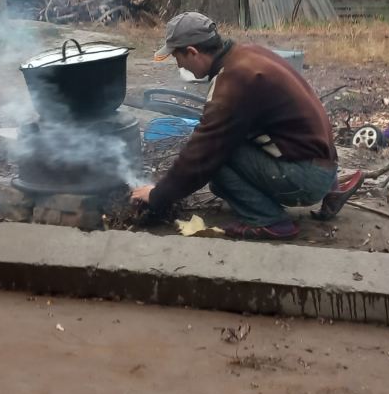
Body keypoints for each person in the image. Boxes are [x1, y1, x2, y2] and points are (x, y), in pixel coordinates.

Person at [128, 12, 363, 239]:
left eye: (176, 57)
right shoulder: (248, 54)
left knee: (216, 164)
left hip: (308, 176)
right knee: (225, 145)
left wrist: (158, 195)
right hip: (323, 161)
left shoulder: (234, 80)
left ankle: (269, 221)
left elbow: (201, 155)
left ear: (192, 52)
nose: (179, 65)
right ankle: (331, 189)